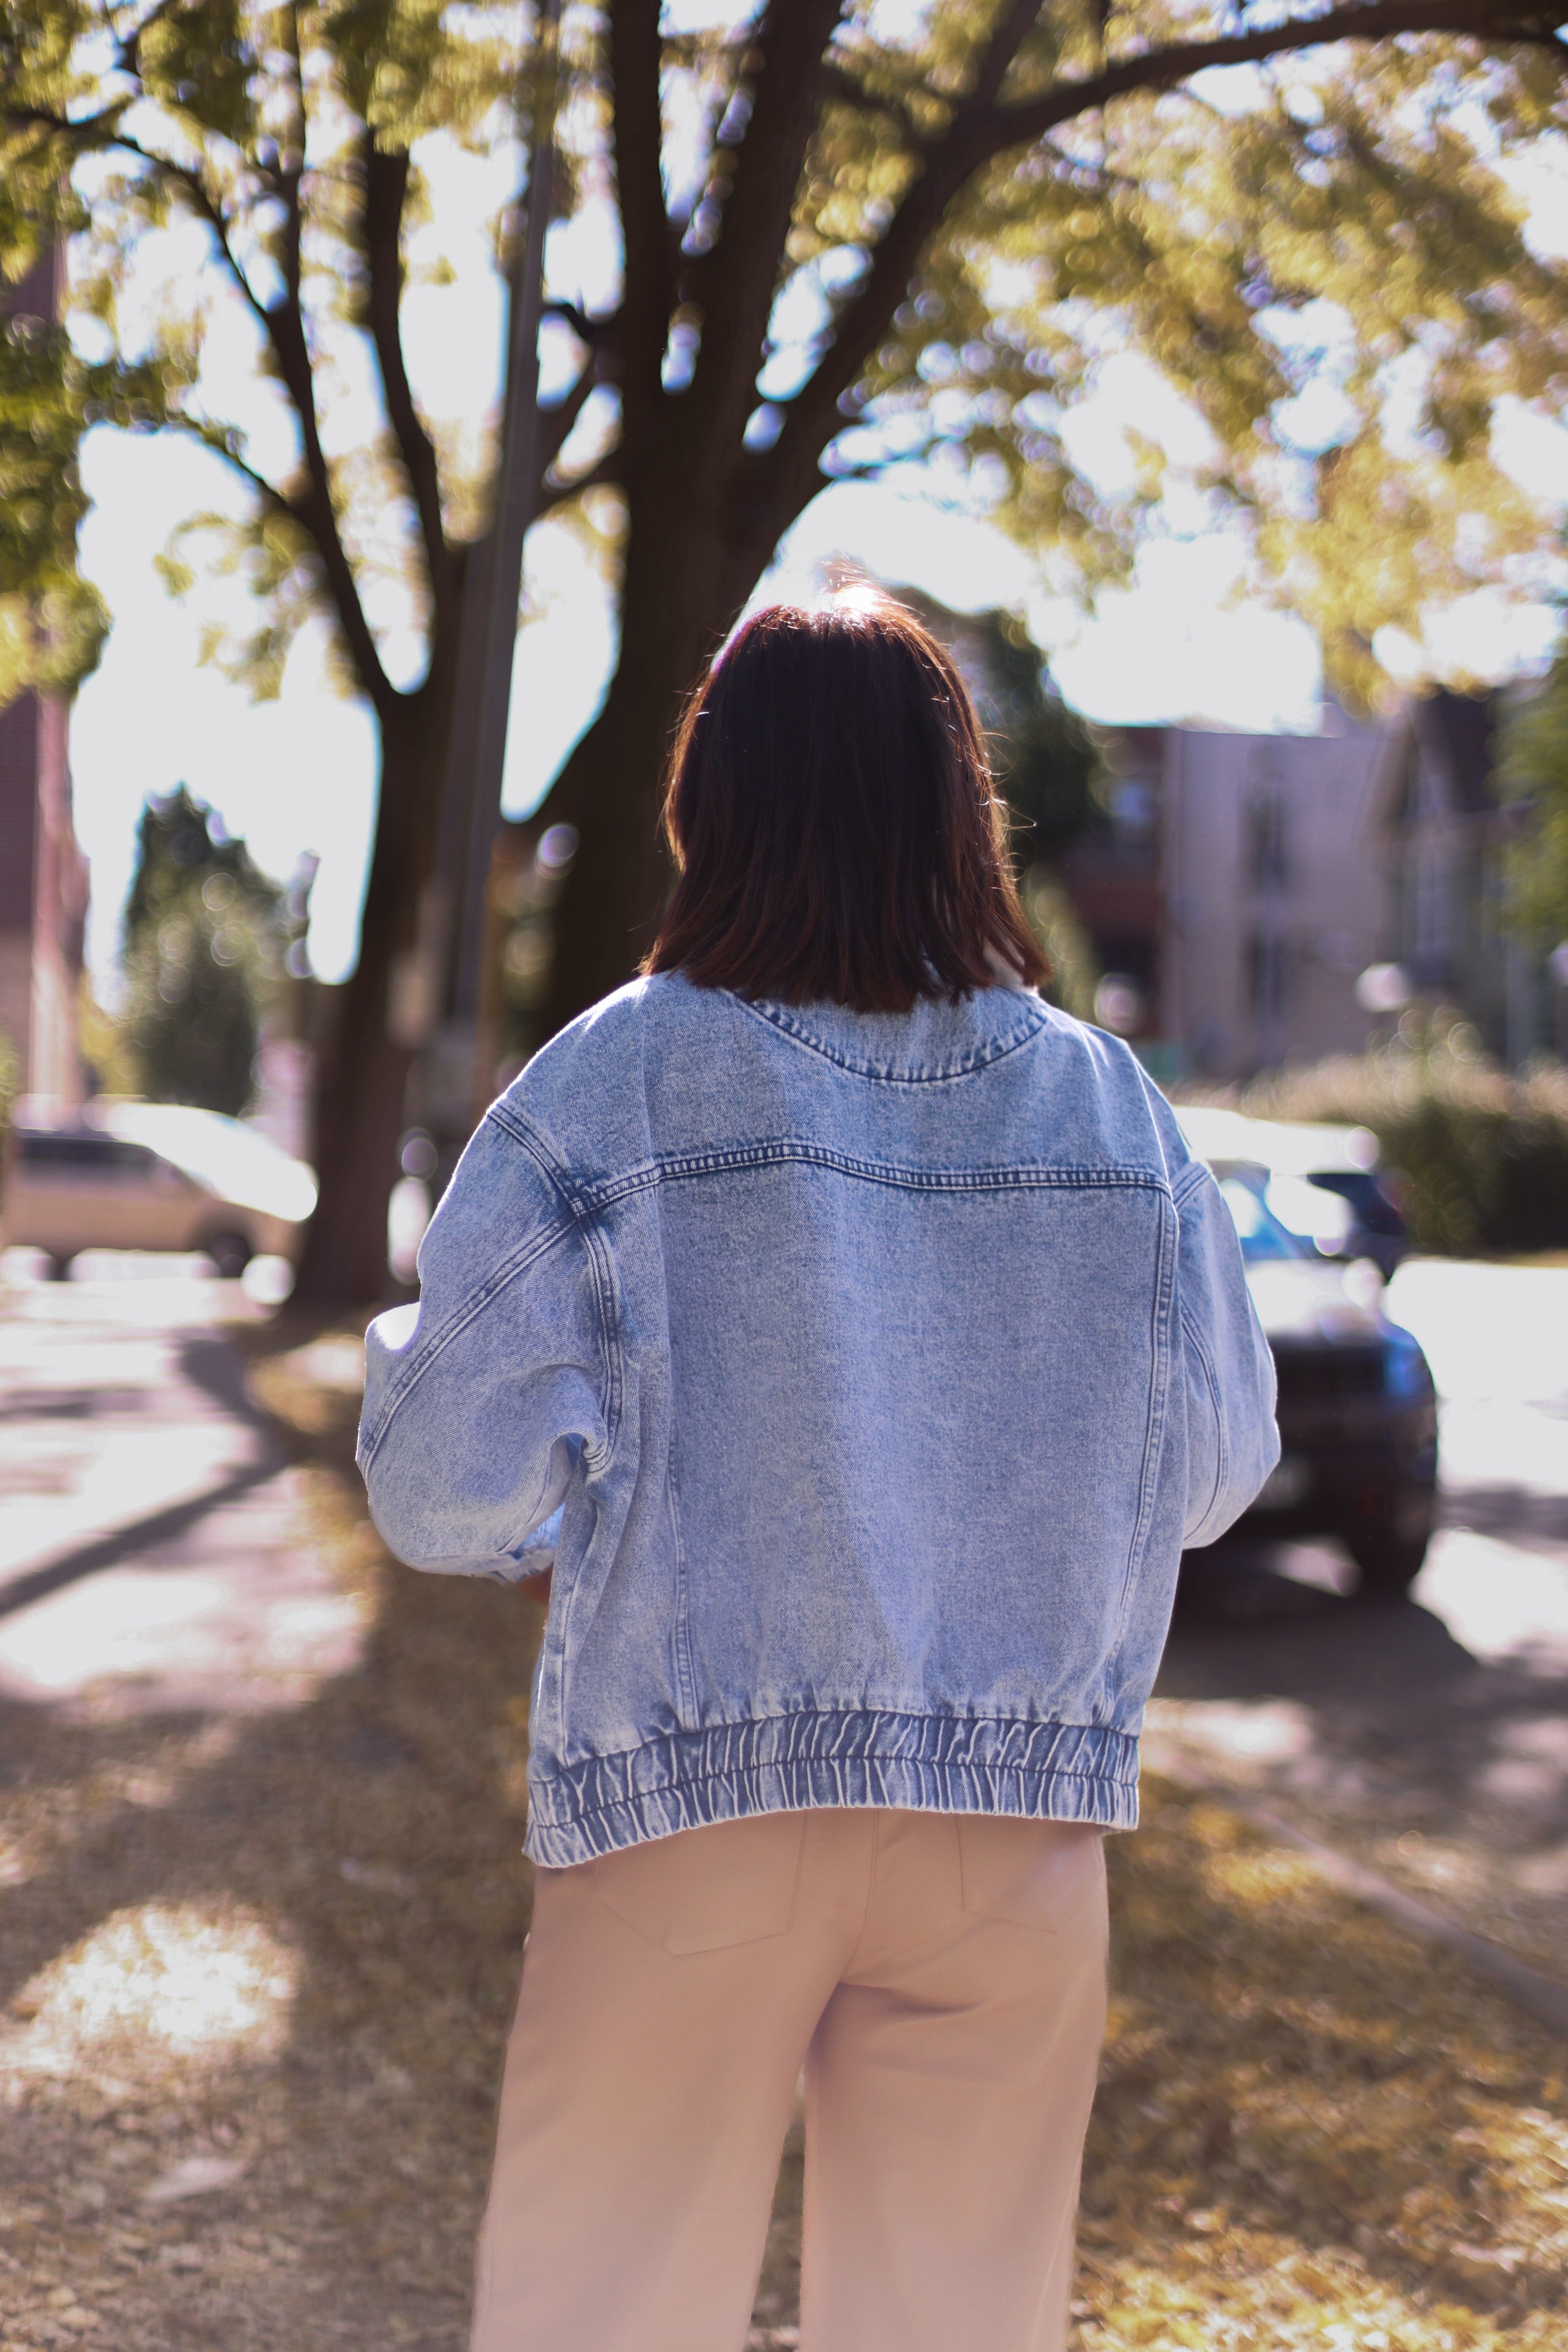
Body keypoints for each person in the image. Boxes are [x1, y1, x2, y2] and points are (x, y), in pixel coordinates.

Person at [357, 591, 1279, 2352]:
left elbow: (434, 1487)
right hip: (1013, 1829)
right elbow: (1220, 1462)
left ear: (712, 806)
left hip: (691, 1806)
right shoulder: (1114, 1111)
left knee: (596, 2320)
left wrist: (566, 1514)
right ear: (960, 816)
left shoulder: (616, 1078)